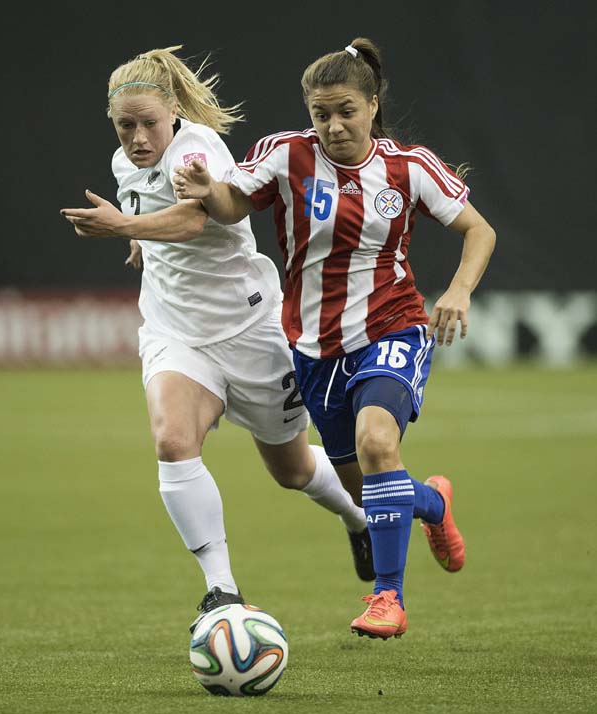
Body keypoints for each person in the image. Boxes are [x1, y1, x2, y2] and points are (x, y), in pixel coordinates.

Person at [173, 37, 497, 640]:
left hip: (392, 326)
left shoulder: (409, 167)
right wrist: (206, 189)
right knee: (371, 487)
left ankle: (387, 598)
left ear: (373, 105)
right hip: (314, 348)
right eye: (321, 113)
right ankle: (433, 504)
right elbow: (230, 204)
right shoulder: (285, 154)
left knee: (378, 445)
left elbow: (479, 230)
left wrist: (459, 290)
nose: (332, 125)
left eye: (346, 110)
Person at [60, 45, 374, 633]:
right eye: (124, 125)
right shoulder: (124, 163)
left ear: (173, 109)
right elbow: (153, 217)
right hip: (175, 331)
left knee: (293, 470)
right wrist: (137, 238)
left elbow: (196, 217)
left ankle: (357, 521)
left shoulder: (197, 148)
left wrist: (124, 227)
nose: (137, 137)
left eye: (148, 122)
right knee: (173, 442)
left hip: (248, 329)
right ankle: (222, 592)